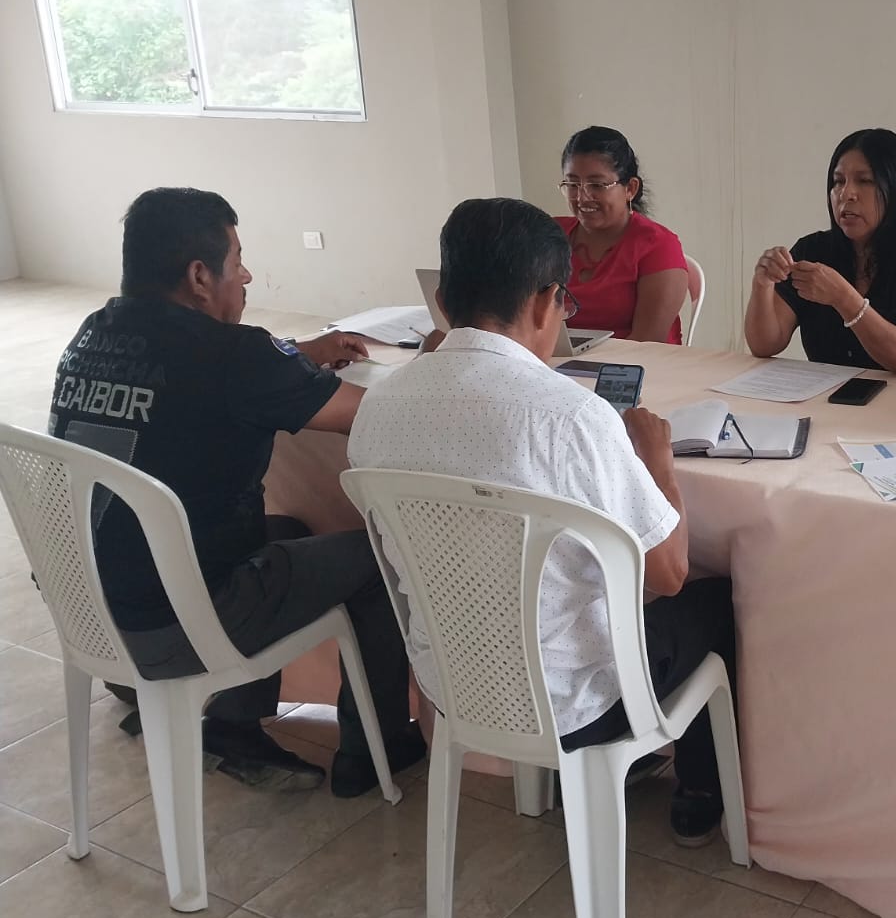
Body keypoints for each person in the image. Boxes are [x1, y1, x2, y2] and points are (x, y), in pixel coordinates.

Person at [348, 197, 736, 846]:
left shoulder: (378, 406)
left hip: (452, 687)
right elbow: (668, 573)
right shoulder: (571, 417)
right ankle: (698, 790)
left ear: (442, 300)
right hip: (576, 704)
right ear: (546, 302)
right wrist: (657, 464)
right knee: (713, 598)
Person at [50, 188, 421, 796]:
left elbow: (186, 375)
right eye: (238, 259)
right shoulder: (235, 358)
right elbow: (376, 414)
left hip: (89, 610)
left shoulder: (94, 333)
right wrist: (437, 365)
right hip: (175, 623)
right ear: (200, 276)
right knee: (376, 557)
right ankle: (375, 748)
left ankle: (233, 725)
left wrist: (297, 357)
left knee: (287, 531)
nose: (246, 276)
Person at [745, 128, 896, 376]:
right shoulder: (813, 250)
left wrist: (844, 299)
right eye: (838, 181)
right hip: (828, 395)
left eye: (865, 181)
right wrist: (762, 284)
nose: (846, 194)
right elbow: (764, 345)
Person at [555, 126, 688, 343]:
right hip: (559, 362)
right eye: (572, 184)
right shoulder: (551, 236)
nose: (582, 197)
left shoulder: (658, 246)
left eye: (597, 185)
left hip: (637, 362)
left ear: (630, 189)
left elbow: (646, 342)